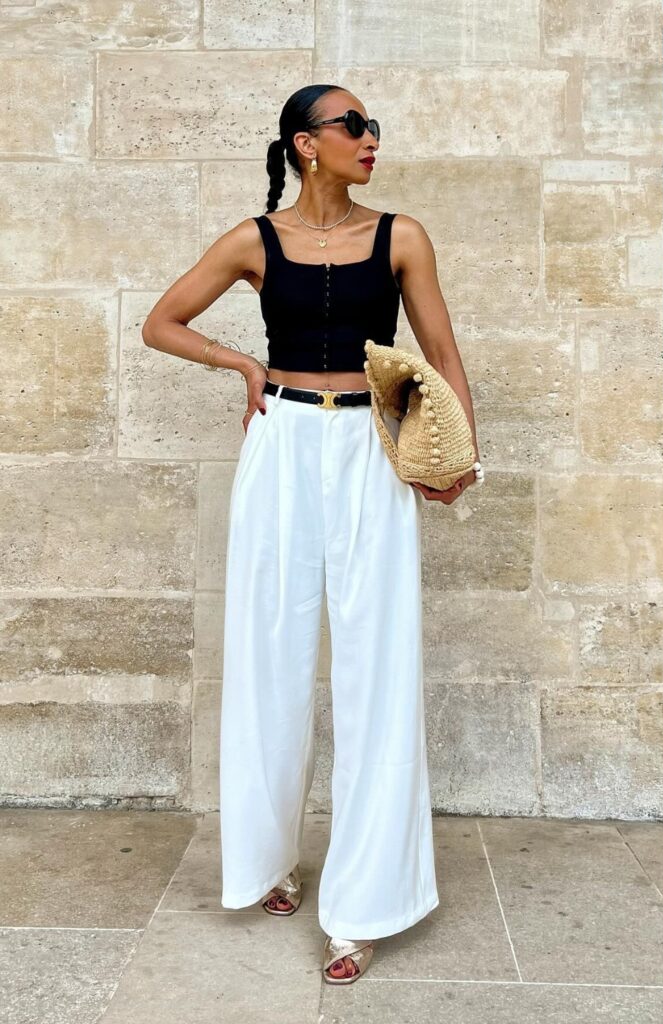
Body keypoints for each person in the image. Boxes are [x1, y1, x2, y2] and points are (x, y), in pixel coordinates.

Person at [142, 83, 481, 986]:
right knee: (268, 649)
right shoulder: (254, 240)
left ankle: (362, 906)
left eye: (373, 126)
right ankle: (264, 865)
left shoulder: (401, 234)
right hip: (283, 439)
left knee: (379, 661)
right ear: (305, 143)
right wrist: (240, 363)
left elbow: (442, 355)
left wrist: (456, 457)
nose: (370, 138)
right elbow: (160, 323)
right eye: (353, 125)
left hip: (372, 444)